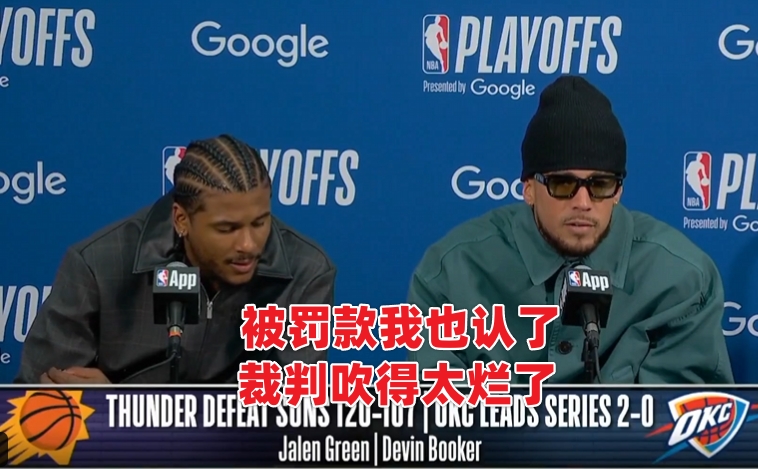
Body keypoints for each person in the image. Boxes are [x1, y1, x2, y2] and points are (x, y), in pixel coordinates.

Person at [407, 76, 734, 384]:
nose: (583, 202)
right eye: (563, 184)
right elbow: (440, 414)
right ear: (529, 189)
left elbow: (682, 417)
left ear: (618, 191)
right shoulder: (452, 273)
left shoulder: (681, 280)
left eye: (600, 185)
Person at [16, 134, 336, 384]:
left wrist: (120, 409)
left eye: (260, 222)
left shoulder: (306, 272)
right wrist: (101, 415)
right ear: (182, 219)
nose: (249, 245)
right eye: (227, 229)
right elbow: (30, 408)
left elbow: (293, 416)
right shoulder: (99, 265)